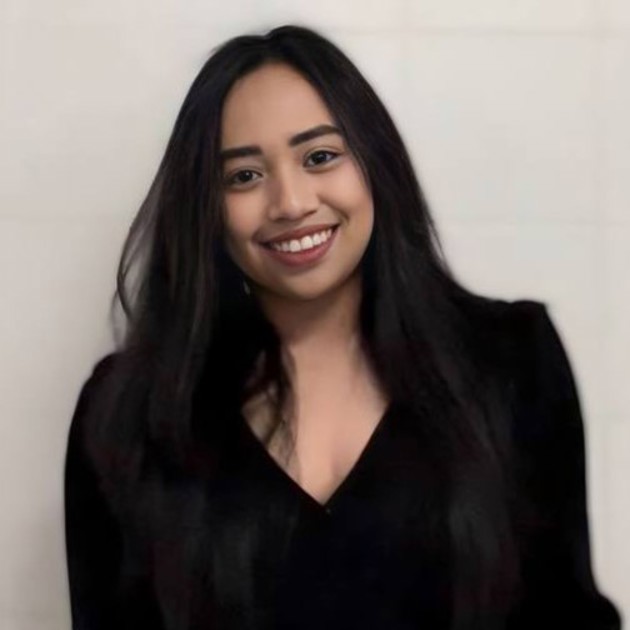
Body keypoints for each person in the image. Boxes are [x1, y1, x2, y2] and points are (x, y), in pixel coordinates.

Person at [64, 24, 622, 630]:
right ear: (207, 210)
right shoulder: (129, 410)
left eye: (320, 157)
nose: (291, 202)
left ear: (375, 165)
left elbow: (566, 612)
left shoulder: (513, 362)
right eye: (244, 176)